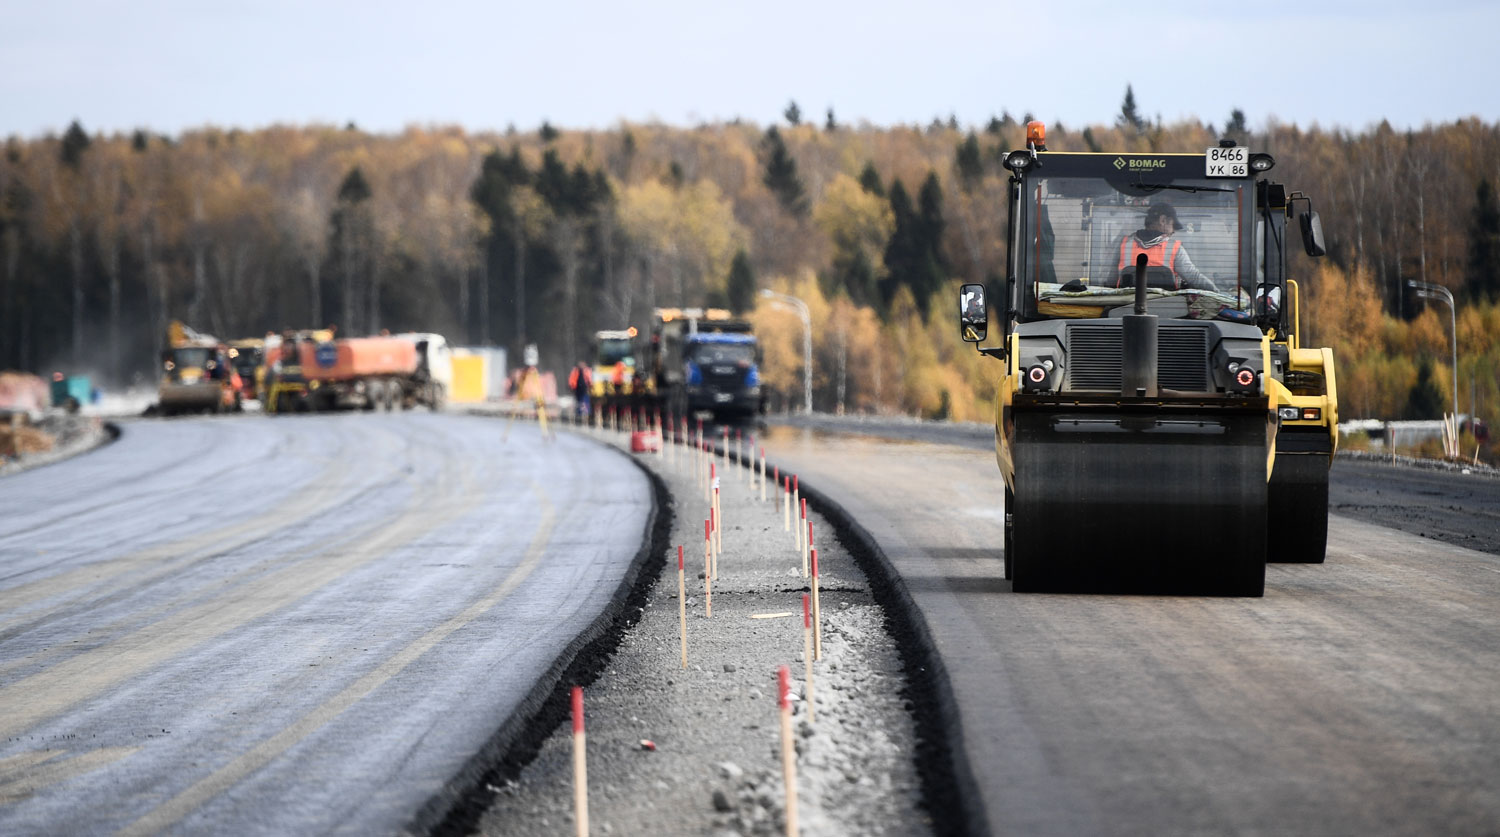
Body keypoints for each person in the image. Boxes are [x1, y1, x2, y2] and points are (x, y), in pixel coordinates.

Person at [1117, 202, 1213, 290]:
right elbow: (1194, 277)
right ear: (1163, 220)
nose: (1173, 232)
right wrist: (1218, 294)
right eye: (1172, 225)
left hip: (1123, 307)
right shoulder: (1174, 248)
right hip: (1166, 307)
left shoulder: (1124, 244)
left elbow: (1109, 280)